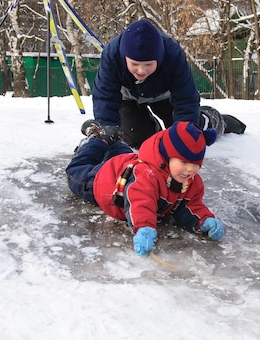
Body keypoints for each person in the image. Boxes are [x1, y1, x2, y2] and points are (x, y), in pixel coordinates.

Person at [65, 120, 224, 256]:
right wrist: (144, 228)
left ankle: (117, 141)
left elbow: (188, 206)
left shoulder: (190, 181)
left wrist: (203, 220)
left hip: (127, 164)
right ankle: (97, 139)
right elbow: (141, 203)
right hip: (103, 181)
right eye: (184, 162)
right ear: (167, 158)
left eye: (196, 164)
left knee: (124, 154)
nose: (190, 169)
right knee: (76, 170)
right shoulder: (147, 175)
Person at [92, 19, 246, 148]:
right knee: (138, 139)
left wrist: (185, 132)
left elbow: (186, 97)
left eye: (148, 65)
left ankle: (212, 118)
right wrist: (107, 129)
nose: (141, 70)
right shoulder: (112, 55)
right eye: (135, 64)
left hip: (165, 96)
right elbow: (105, 96)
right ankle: (155, 134)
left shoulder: (173, 55)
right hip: (129, 98)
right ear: (125, 58)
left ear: (159, 58)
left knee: (187, 131)